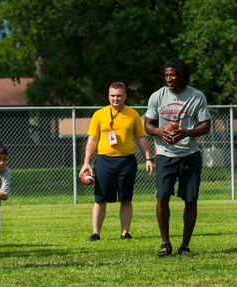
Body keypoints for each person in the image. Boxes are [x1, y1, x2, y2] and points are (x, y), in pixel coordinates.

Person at [144, 58, 211, 257]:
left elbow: (205, 125)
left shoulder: (196, 96)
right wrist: (159, 131)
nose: (169, 79)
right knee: (162, 196)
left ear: (181, 75)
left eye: (172, 75)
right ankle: (165, 243)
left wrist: (186, 132)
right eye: (166, 75)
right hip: (165, 155)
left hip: (189, 154)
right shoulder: (157, 96)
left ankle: (185, 246)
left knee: (190, 199)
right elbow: (147, 124)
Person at [79, 82, 153, 241]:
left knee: (126, 199)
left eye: (119, 95)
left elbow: (141, 137)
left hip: (127, 162)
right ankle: (96, 233)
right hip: (104, 161)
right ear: (108, 96)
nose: (116, 99)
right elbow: (92, 139)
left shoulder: (132, 114)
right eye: (112, 95)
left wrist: (148, 157)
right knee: (100, 199)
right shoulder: (99, 114)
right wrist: (86, 162)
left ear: (125, 96)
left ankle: (125, 232)